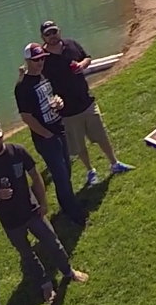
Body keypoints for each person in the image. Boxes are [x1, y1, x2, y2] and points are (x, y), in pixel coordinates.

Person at [0, 119, 88, 304]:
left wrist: (43, 203)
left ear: (2, 135)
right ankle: (45, 285)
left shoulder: (18, 151)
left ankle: (68, 271)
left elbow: (35, 176)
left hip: (32, 211)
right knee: (27, 255)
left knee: (53, 242)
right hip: (10, 221)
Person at [38, 21, 134, 187]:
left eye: (54, 32)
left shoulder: (71, 45)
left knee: (101, 136)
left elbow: (87, 57)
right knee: (79, 144)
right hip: (67, 111)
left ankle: (114, 163)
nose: (52, 36)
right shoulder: (42, 59)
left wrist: (82, 65)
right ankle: (91, 171)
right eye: (48, 34)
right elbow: (41, 83)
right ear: (43, 37)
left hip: (86, 101)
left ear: (59, 31)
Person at [15, 44, 87, 225]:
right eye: (36, 59)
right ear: (28, 61)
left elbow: (53, 96)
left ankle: (68, 203)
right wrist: (46, 134)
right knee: (60, 174)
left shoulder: (44, 76)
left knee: (66, 170)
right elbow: (26, 117)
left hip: (58, 128)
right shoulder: (23, 87)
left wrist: (59, 102)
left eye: (42, 58)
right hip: (45, 138)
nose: (40, 62)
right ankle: (73, 212)